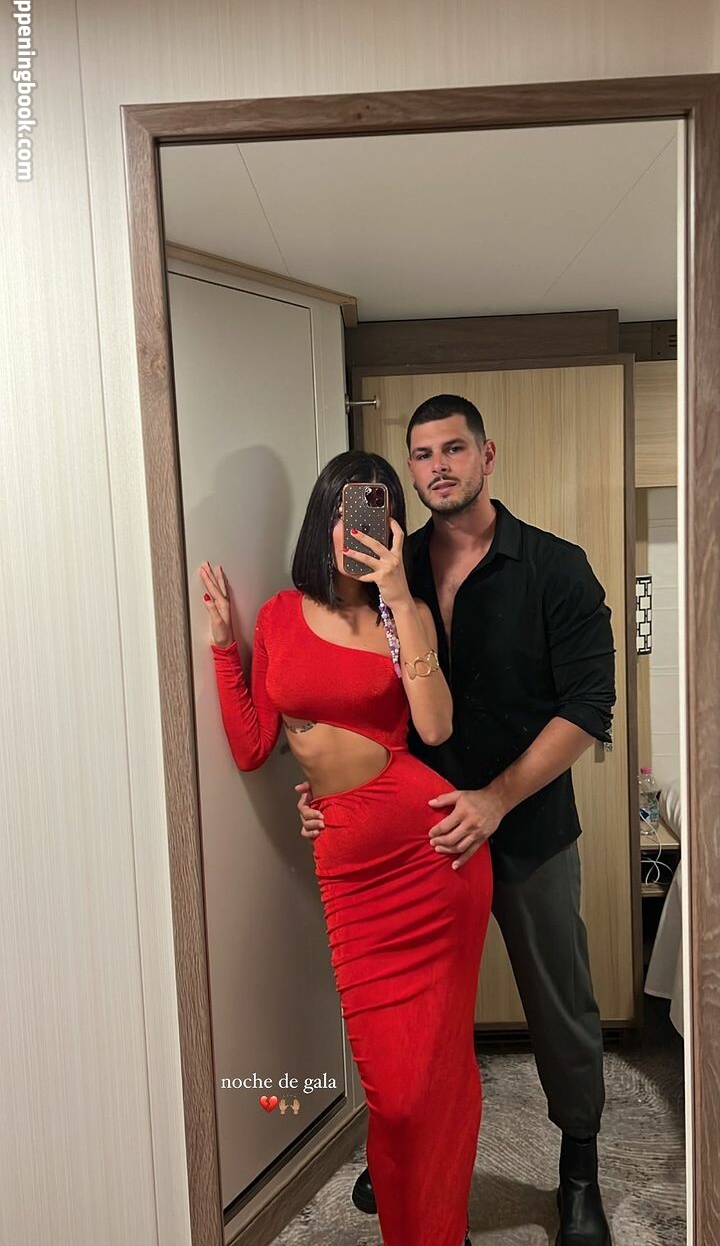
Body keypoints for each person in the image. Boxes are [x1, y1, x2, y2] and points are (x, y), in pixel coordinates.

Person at [298, 395, 616, 1246]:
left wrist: (496, 799)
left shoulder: (555, 568)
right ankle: (405, 1155)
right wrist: (328, 788)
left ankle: (578, 1172)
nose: (437, 466)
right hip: (418, 838)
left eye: (453, 449)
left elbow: (589, 708)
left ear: (487, 455)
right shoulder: (386, 567)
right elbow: (353, 701)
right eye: (422, 454)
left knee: (560, 1002)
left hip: (529, 829)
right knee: (421, 1013)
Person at [199, 450, 493, 1246]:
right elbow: (255, 746)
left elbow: (434, 727)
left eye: (371, 511)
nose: (352, 528)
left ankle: (441, 1227)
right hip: (350, 869)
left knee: (437, 1071)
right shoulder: (279, 616)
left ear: (392, 527)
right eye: (340, 510)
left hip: (432, 856)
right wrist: (224, 648)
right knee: (392, 1092)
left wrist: (397, 596)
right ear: (320, 521)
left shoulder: (405, 615)